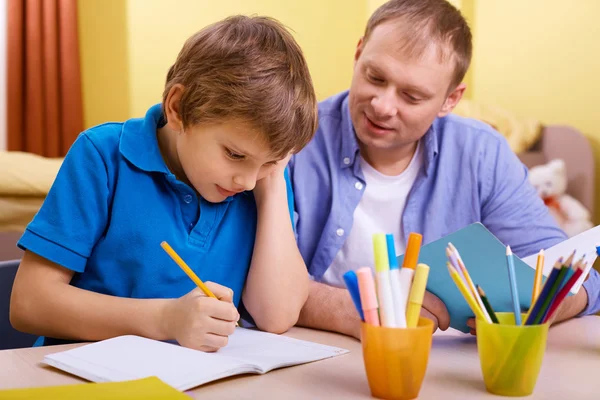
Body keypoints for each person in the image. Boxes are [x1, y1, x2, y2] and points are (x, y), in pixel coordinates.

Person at [288, 0, 600, 338]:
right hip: (319, 351)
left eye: (412, 96)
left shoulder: (483, 153)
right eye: (375, 77)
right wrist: (351, 311)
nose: (382, 105)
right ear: (359, 52)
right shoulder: (294, 139)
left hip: (444, 363)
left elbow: (572, 275)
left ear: (451, 100)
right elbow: (251, 280)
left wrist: (544, 307)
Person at [10, 15, 318, 351]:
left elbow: (278, 316)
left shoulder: (260, 179)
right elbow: (29, 304)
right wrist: (166, 319)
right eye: (234, 154)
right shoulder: (102, 155)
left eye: (270, 162)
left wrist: (272, 184)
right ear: (178, 108)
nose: (246, 181)